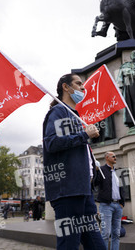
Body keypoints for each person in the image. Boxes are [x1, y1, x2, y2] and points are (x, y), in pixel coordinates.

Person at [43, 73, 106, 250]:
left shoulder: (76, 116)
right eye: (79, 84)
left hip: (84, 191)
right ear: (66, 87)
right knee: (68, 245)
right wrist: (85, 135)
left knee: (96, 245)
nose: (82, 88)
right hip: (68, 192)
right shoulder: (58, 112)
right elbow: (52, 142)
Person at [93, 152, 125, 250]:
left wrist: (122, 203)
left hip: (118, 206)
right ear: (107, 158)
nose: (115, 158)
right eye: (113, 156)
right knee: (106, 233)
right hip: (106, 206)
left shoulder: (118, 172)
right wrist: (96, 171)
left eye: (115, 156)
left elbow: (122, 188)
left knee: (116, 234)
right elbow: (95, 183)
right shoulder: (101, 170)